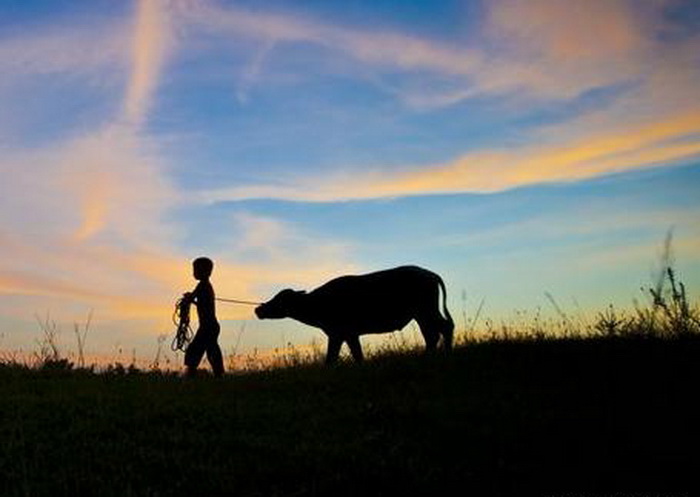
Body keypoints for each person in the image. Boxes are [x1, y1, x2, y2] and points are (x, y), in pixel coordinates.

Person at [183, 257, 224, 377]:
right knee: (209, 348)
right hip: (209, 326)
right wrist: (191, 299)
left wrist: (189, 299)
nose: (194, 273)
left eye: (197, 270)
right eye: (194, 270)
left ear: (207, 272)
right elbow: (196, 298)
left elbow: (196, 298)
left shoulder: (203, 285)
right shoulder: (203, 285)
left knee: (197, 349)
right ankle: (218, 374)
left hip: (208, 326)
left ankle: (191, 374)